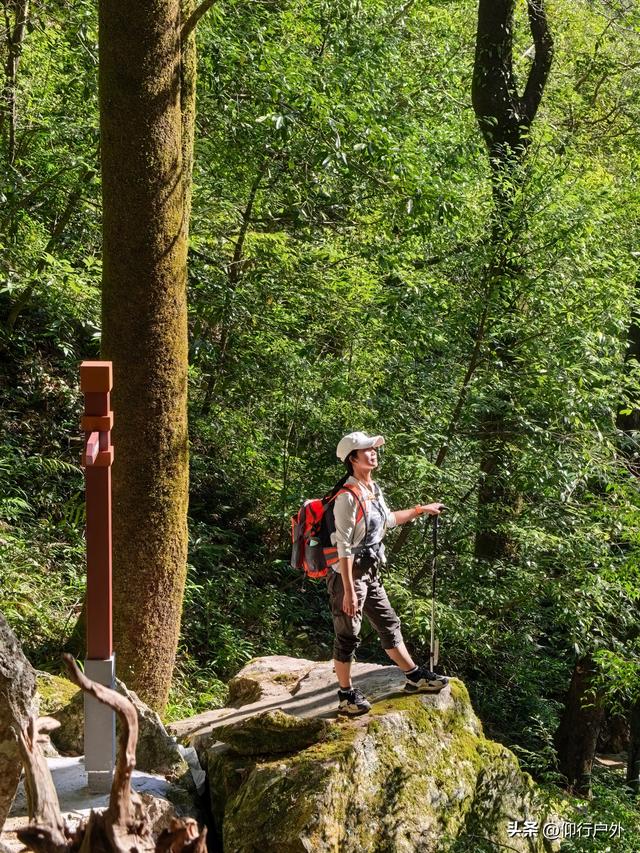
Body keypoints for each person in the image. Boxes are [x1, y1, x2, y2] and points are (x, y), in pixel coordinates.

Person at [328, 430, 448, 716]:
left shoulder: (373, 490)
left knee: (389, 622)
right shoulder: (346, 497)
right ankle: (345, 695)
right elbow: (343, 546)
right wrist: (347, 589)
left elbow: (388, 521)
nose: (373, 452)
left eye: (373, 448)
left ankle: (414, 676)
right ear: (352, 459)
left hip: (369, 572)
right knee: (348, 635)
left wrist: (421, 509)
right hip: (349, 575)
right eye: (367, 450)